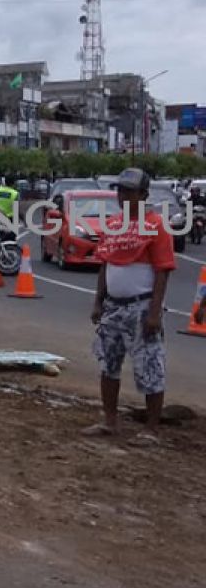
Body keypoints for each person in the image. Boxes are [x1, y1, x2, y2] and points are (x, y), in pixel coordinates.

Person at [84, 167, 175, 445]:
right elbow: (105, 263)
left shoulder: (156, 226)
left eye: (129, 191)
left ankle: (151, 429)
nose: (123, 196)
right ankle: (109, 421)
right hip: (113, 307)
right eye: (120, 190)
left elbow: (162, 271)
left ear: (144, 195)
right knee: (108, 364)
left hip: (141, 306)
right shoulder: (112, 224)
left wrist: (154, 312)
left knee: (149, 367)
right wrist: (98, 301)